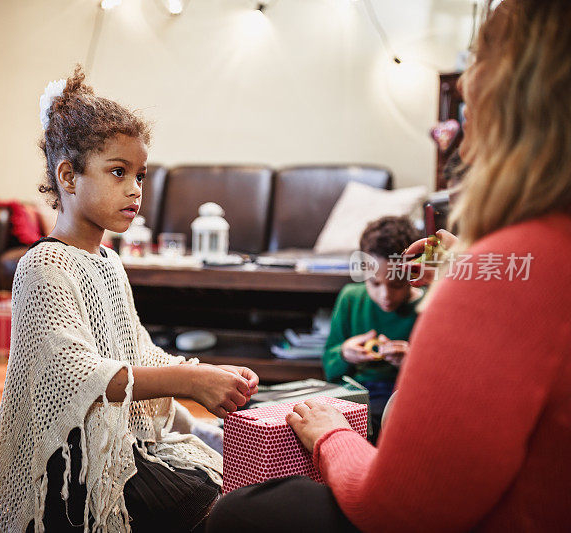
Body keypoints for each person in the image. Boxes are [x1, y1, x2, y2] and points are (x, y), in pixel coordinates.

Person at [208, 1, 571, 531]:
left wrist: (332, 434)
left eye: (480, 60)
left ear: (512, 93)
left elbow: (399, 506)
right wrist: (468, 265)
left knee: (240, 513)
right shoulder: (525, 260)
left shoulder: (505, 273)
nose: (465, 88)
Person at [0, 67, 259, 533]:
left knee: (214, 480)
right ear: (69, 177)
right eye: (118, 172)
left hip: (116, 448)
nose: (135, 188)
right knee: (203, 495)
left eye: (140, 175)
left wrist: (201, 374)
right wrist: (190, 384)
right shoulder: (43, 267)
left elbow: (136, 352)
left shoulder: (110, 264)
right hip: (69, 474)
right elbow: (78, 379)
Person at [322, 216, 422, 442]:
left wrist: (410, 361)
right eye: (375, 283)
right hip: (354, 392)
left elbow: (437, 378)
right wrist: (345, 352)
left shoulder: (425, 308)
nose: (385, 295)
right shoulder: (351, 298)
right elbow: (329, 365)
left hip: (400, 395)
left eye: (396, 284)